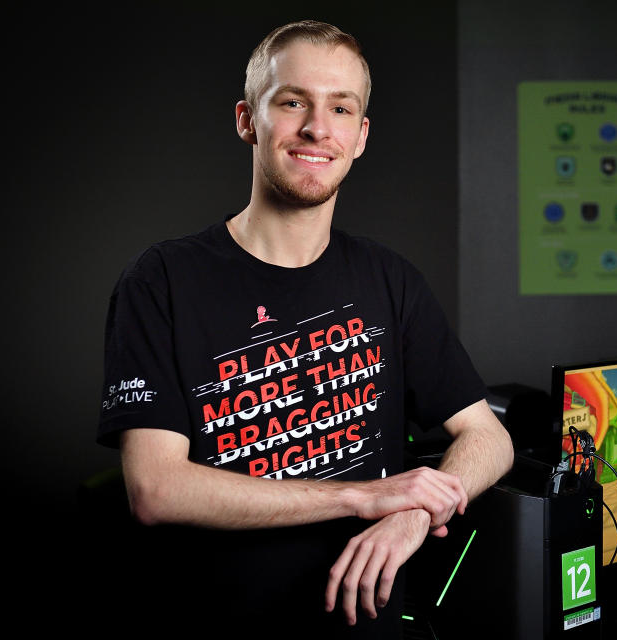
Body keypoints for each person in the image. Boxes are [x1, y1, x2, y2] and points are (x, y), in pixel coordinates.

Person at [97, 20, 513, 636]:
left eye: (340, 108)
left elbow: (488, 437)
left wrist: (414, 516)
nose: (319, 128)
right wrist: (361, 496)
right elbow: (155, 489)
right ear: (247, 120)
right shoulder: (161, 280)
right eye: (293, 102)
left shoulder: (389, 279)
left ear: (361, 135)